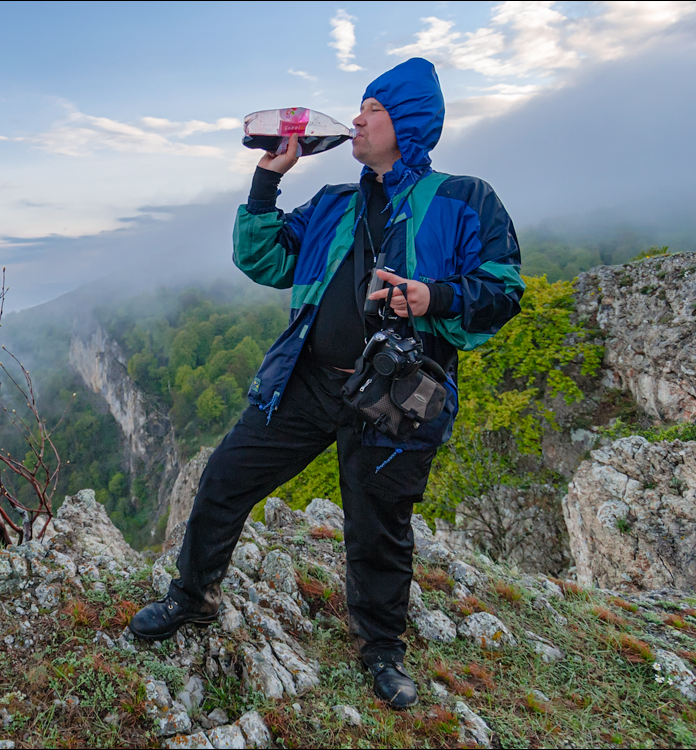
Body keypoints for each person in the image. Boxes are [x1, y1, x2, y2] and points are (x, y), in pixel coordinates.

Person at [127, 57, 524, 709]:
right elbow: (264, 258)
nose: (358, 117)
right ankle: (190, 597)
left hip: (396, 395)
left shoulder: (463, 199)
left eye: (373, 107)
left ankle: (381, 648)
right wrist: (266, 180)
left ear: (410, 122)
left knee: (378, 524)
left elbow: (504, 289)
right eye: (360, 106)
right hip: (307, 383)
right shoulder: (334, 203)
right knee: (224, 479)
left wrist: (434, 297)